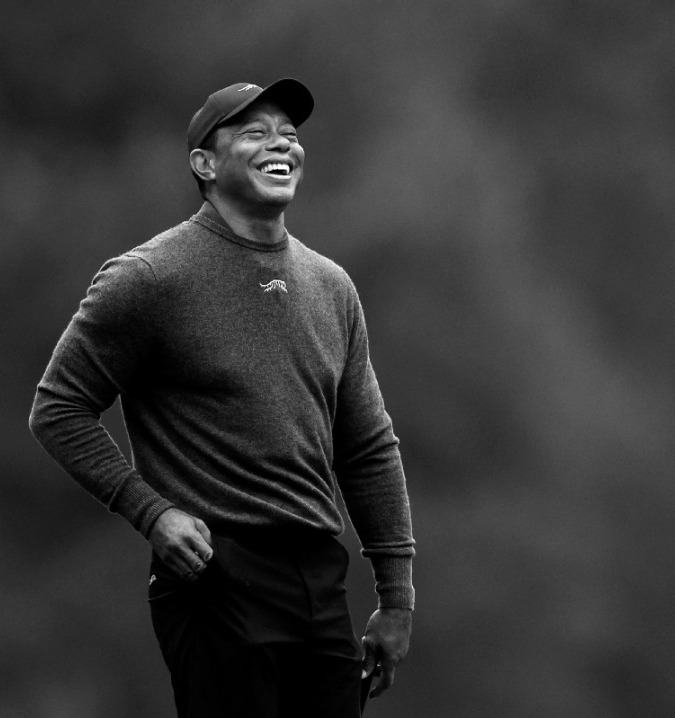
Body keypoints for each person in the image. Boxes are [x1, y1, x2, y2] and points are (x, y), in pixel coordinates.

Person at [29, 78, 414, 718]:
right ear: (205, 165)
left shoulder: (331, 287)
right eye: (255, 132)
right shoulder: (150, 277)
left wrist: (396, 597)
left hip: (319, 579)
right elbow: (58, 409)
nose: (281, 144)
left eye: (289, 134)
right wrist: (152, 514)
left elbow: (368, 447)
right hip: (215, 575)